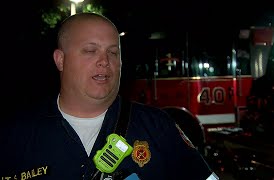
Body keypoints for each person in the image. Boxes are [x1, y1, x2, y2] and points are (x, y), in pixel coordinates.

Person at [0, 12, 218, 180]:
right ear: (60, 60)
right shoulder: (14, 135)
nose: (105, 61)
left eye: (113, 52)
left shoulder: (158, 127)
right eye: (90, 50)